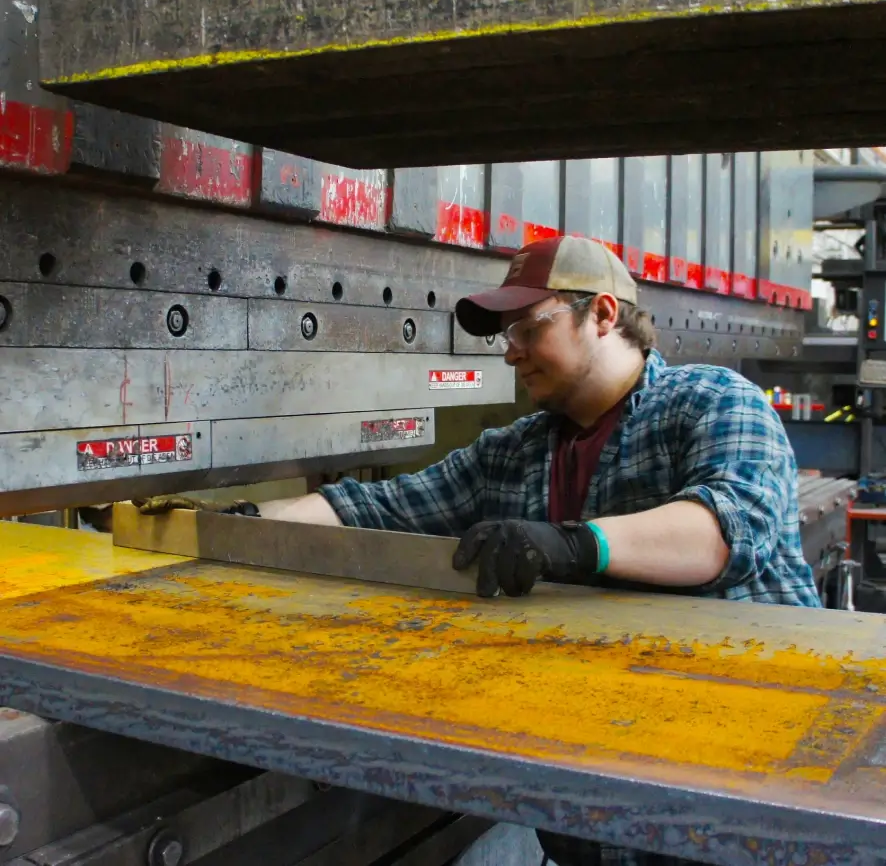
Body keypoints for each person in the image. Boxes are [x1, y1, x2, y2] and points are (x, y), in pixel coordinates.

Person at [135, 235, 822, 866]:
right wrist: (237, 523)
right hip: (602, 783)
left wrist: (569, 545)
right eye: (506, 333)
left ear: (604, 314)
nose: (510, 349)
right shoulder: (519, 452)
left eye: (529, 327)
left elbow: (725, 531)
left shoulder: (712, 402)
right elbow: (375, 507)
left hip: (752, 784)